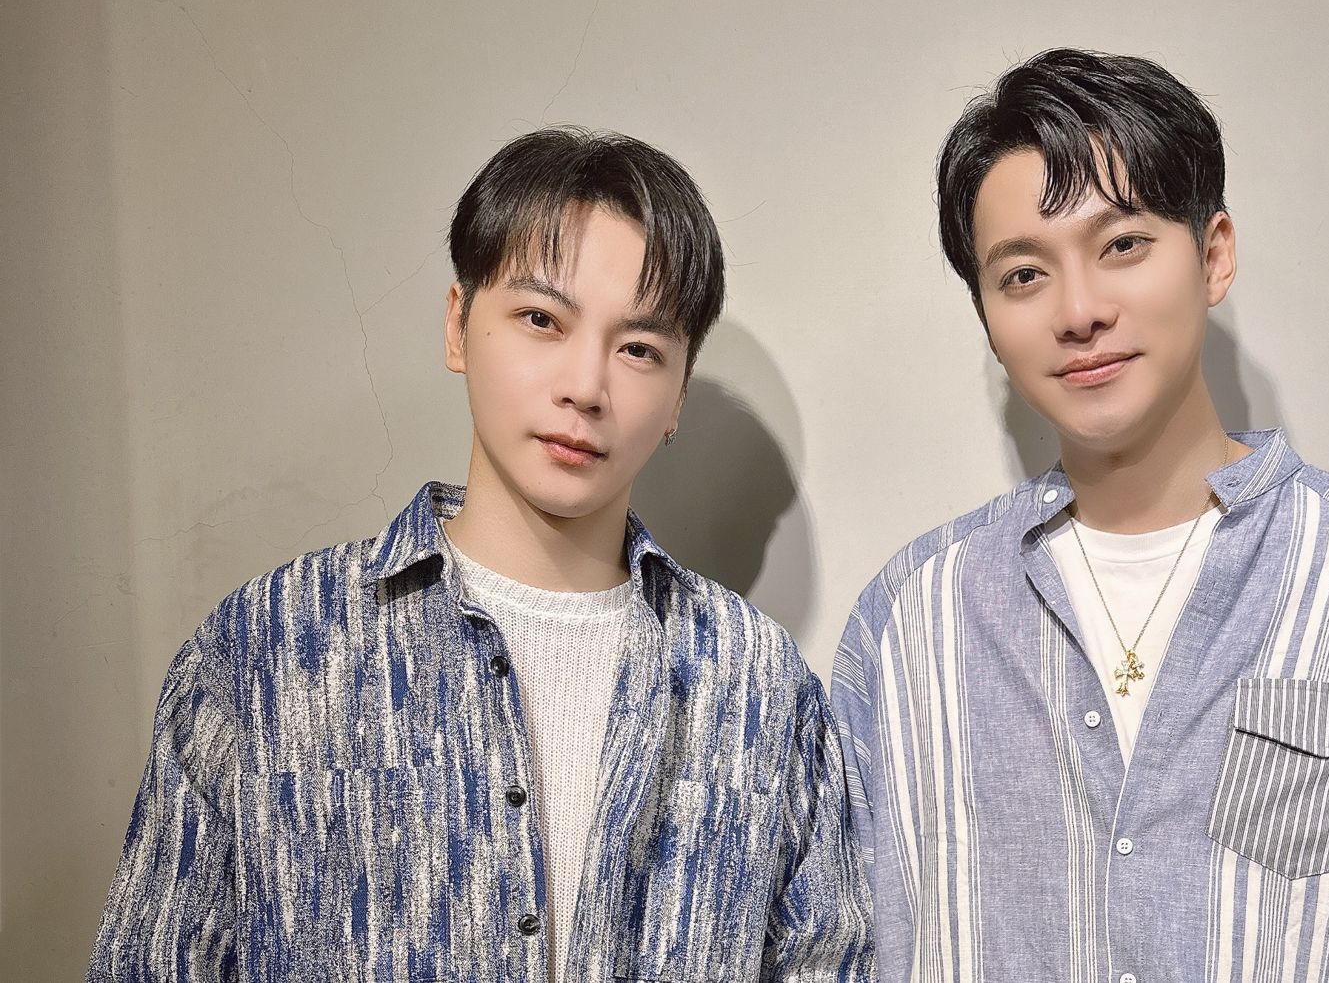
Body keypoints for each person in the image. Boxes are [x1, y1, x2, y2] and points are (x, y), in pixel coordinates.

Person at [830, 48, 1329, 982]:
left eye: (1122, 245)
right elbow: (836, 948)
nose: (1079, 310)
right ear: (985, 313)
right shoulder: (907, 621)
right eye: (1022, 275)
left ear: (1213, 255)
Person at [89, 128, 875, 983]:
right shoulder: (267, 651)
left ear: (678, 393)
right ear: (459, 325)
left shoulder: (759, 686)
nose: (585, 387)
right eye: (541, 320)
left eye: (639, 349)